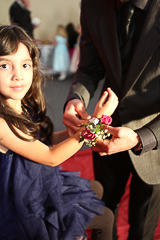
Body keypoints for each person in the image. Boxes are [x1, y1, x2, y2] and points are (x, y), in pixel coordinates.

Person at [0, 24, 119, 240]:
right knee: (107, 218)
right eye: (4, 66)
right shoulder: (1, 122)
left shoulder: (21, 103)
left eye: (25, 65)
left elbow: (45, 142)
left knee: (96, 188)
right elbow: (51, 157)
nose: (18, 75)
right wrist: (98, 121)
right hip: (22, 200)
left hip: (35, 181)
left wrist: (80, 127)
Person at [63, 0, 160, 239]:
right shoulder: (92, 4)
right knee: (104, 214)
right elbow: (89, 68)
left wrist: (143, 137)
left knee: (142, 228)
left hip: (155, 139)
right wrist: (76, 98)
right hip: (105, 129)